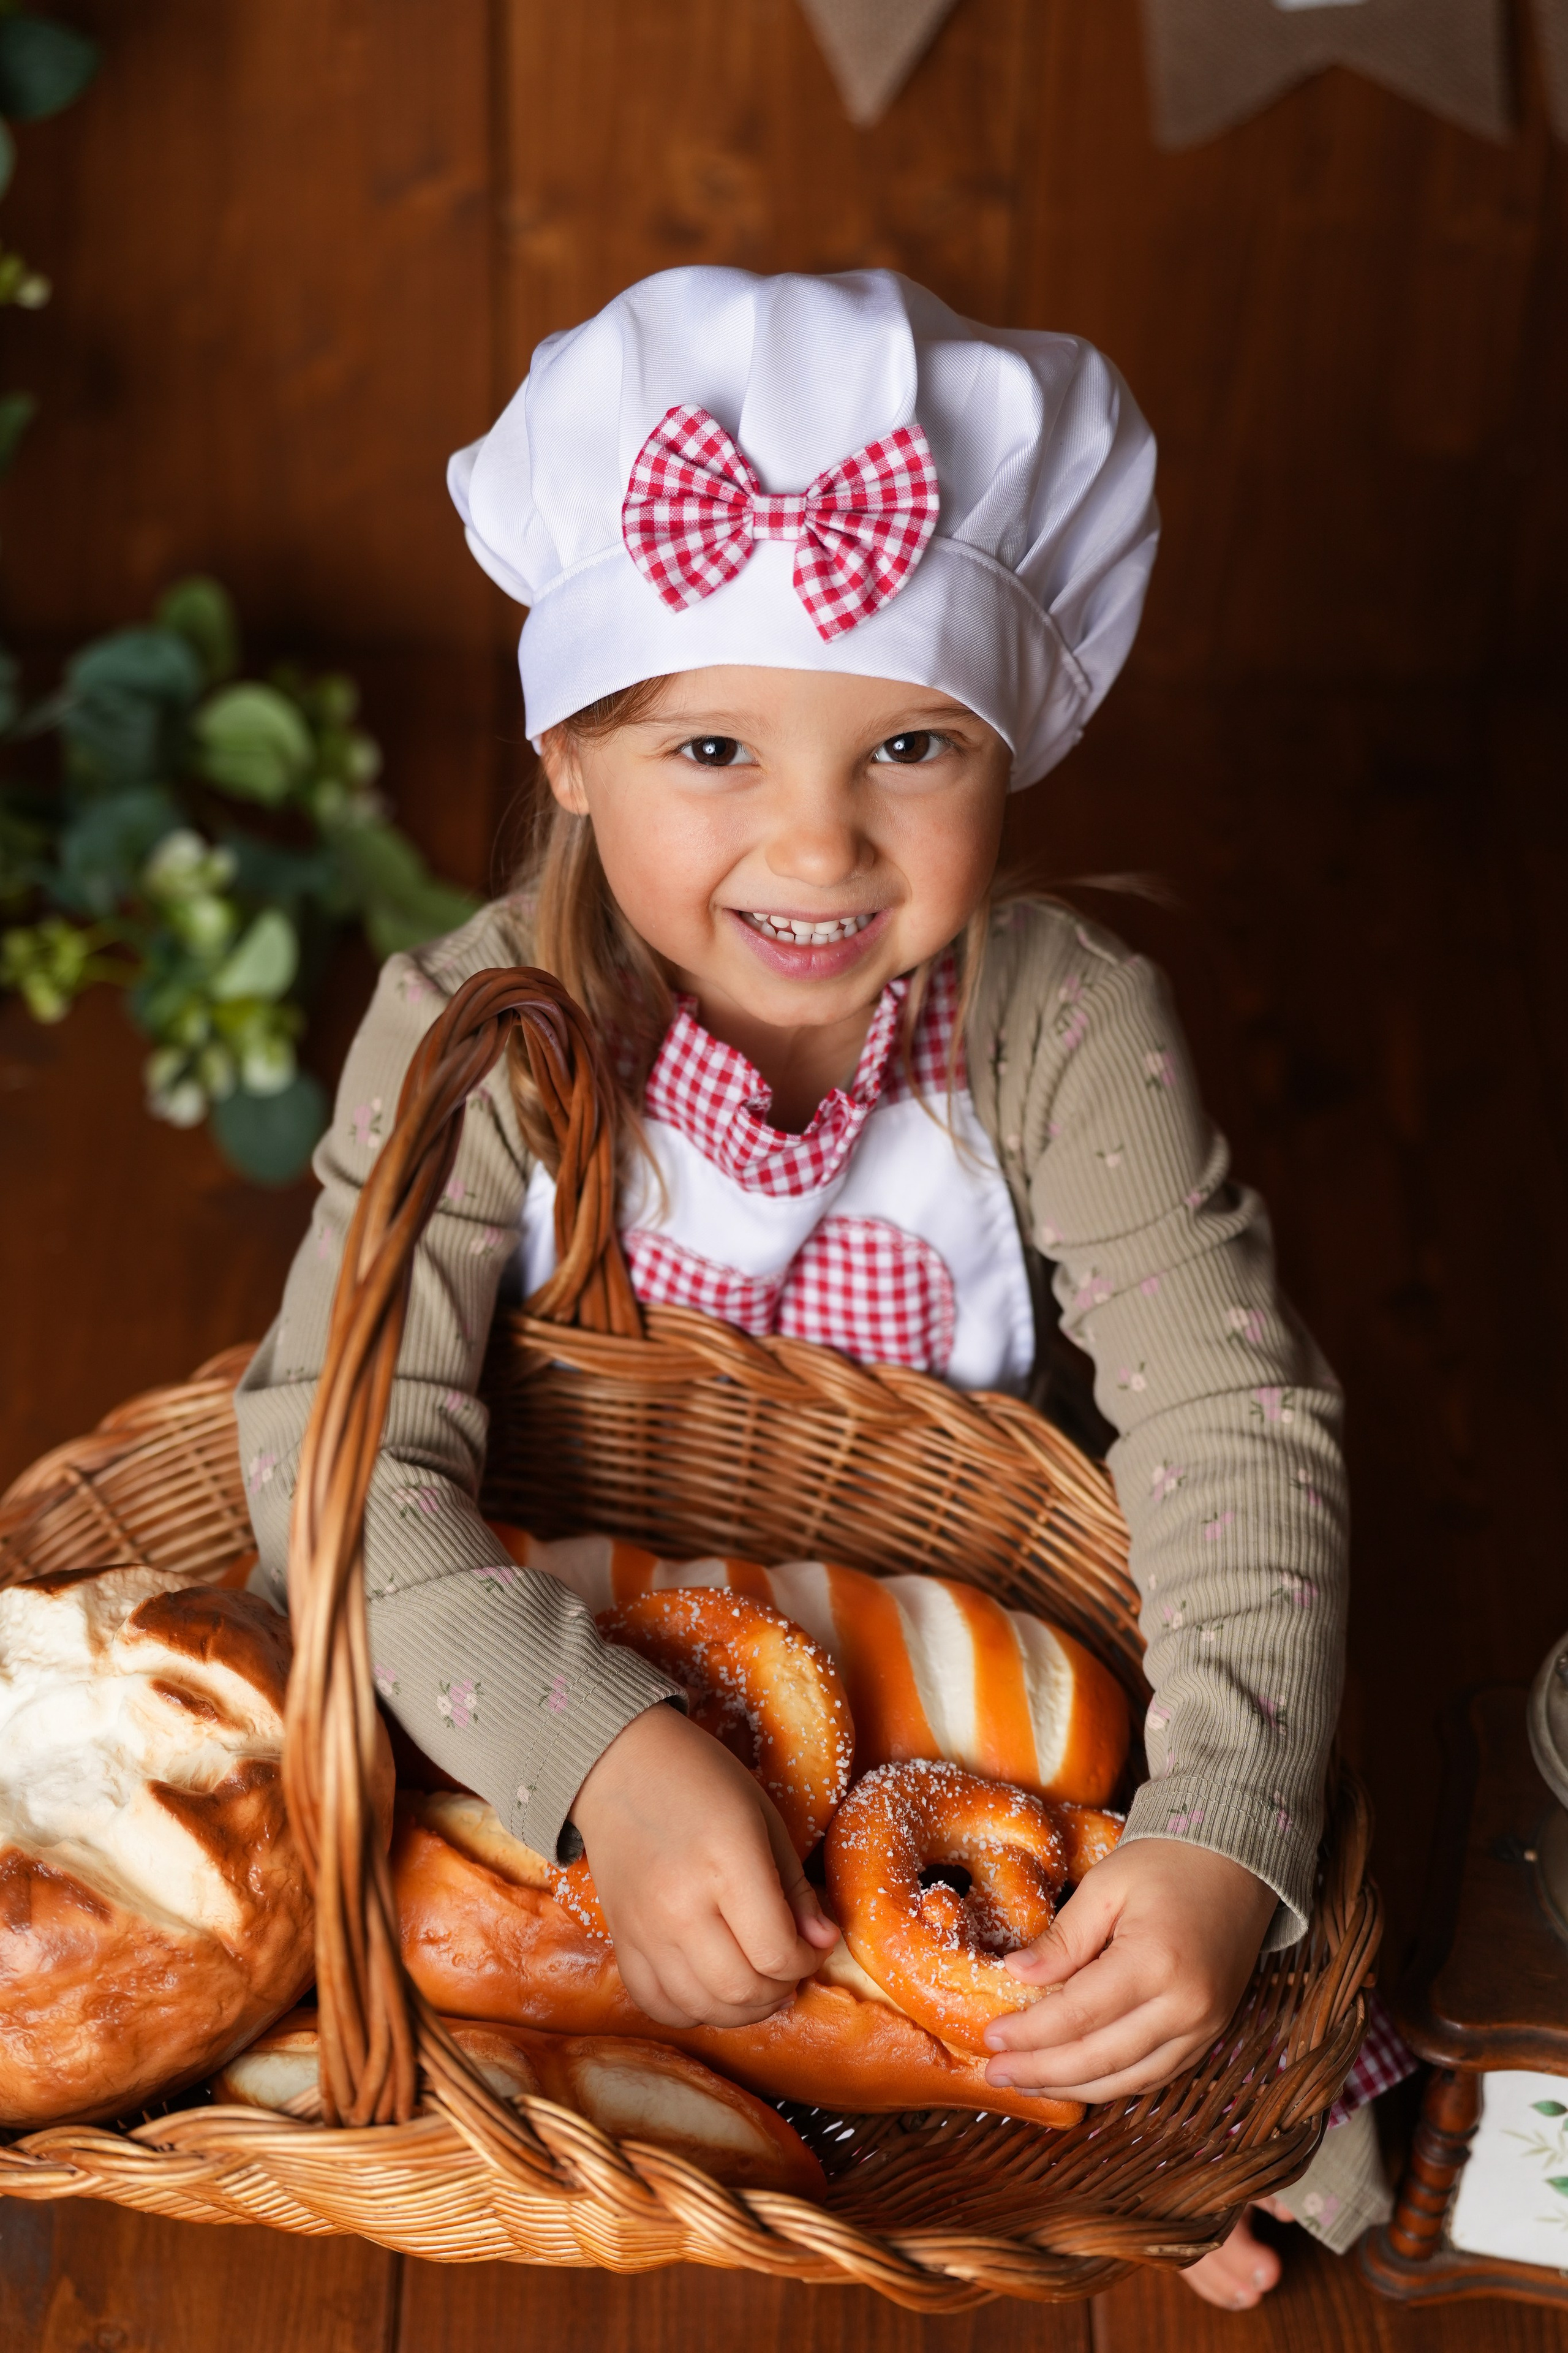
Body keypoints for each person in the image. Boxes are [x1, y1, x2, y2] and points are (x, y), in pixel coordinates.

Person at [236, 267, 1371, 2302]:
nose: (820, 842)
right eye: (715, 747)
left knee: (1262, 2034)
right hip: (569, 1621)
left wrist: (1217, 1836)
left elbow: (1230, 1412)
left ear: (1014, 745)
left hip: (948, 1667)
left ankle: (1170, 2110)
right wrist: (603, 1755)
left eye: (912, 745)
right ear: (572, 751)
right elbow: (334, 1449)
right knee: (381, 1809)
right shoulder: (471, 1030)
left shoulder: (1063, 1018)